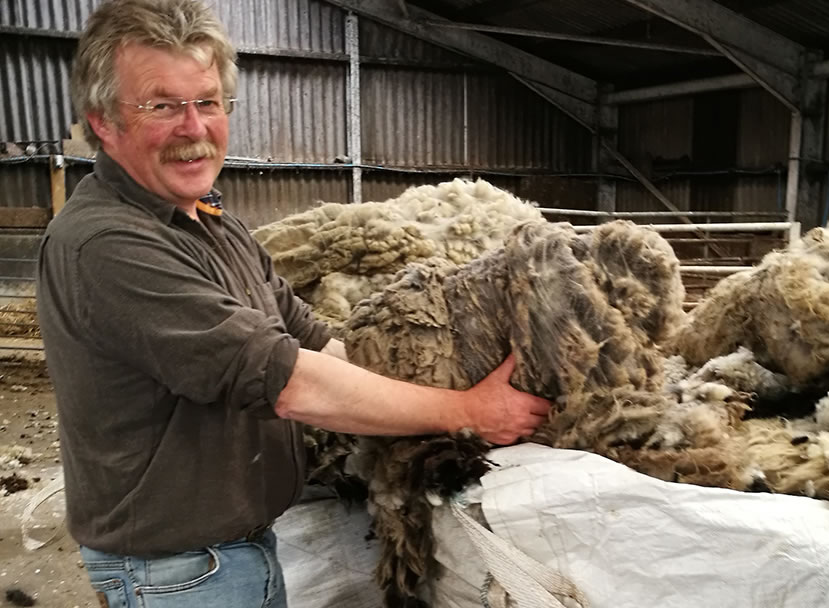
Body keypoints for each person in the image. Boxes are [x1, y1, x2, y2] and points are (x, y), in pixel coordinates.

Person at [34, 1, 552, 606]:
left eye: (207, 101)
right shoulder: (109, 244)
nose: (193, 128)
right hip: (178, 574)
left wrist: (439, 366)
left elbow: (314, 339)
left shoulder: (210, 224)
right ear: (103, 122)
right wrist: (465, 409)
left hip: (232, 551)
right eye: (161, 105)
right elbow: (288, 383)